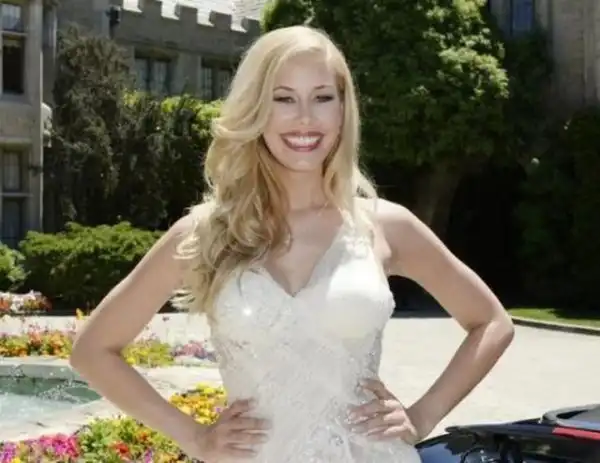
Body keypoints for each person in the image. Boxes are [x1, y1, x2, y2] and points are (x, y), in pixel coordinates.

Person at [70, 25, 515, 462]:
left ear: (343, 109)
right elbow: (93, 351)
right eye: (283, 99)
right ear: (256, 109)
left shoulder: (385, 225)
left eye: (322, 97)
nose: (305, 118)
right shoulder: (206, 234)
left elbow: (492, 323)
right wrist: (195, 438)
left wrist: (422, 416)